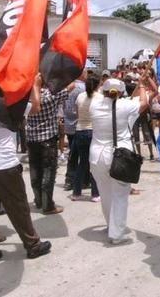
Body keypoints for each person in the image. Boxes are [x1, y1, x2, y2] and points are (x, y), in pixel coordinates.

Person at [0, 74, 51, 265]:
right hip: (4, 166)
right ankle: (33, 245)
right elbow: (36, 107)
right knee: (18, 207)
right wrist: (35, 85)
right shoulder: (10, 105)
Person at [89, 78, 148, 244]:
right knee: (120, 196)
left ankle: (111, 225)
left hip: (97, 156)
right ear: (121, 92)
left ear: (104, 91)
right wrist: (142, 85)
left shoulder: (94, 104)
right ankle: (116, 234)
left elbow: (98, 91)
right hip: (120, 155)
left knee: (105, 193)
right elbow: (143, 103)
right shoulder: (125, 105)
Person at [26, 83, 70, 215]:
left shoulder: (26, 96)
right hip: (47, 140)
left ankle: (38, 201)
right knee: (48, 173)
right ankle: (47, 205)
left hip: (31, 139)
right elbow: (71, 86)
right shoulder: (52, 95)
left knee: (35, 171)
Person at [71, 75, 101, 202]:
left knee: (82, 162)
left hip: (80, 131)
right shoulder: (99, 97)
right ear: (98, 85)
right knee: (94, 163)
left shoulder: (80, 96)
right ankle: (95, 194)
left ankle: (76, 193)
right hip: (93, 131)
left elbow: (77, 114)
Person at [63, 71, 87, 191]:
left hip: (68, 125)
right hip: (80, 125)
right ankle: (82, 180)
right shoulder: (83, 89)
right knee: (83, 155)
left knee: (73, 154)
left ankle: (70, 180)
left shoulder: (66, 88)